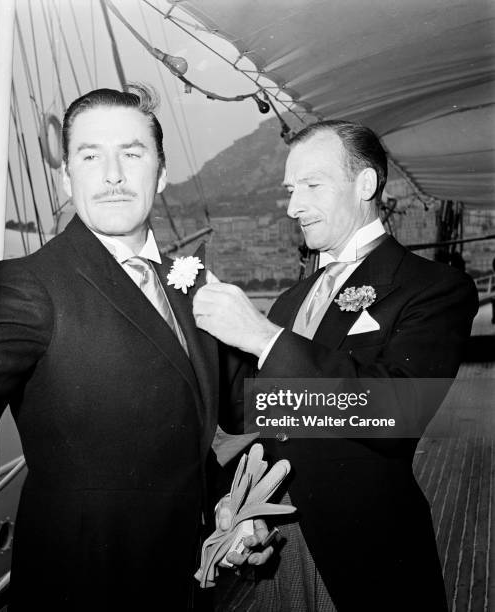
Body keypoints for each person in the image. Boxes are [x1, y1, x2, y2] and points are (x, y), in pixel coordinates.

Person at [0, 85, 270, 610]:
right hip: (84, 589)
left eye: (132, 153)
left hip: (186, 588)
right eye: (90, 155)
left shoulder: (190, 288)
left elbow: (249, 405)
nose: (113, 175)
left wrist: (393, 409)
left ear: (161, 172)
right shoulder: (29, 285)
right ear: (66, 177)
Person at [193, 120, 478, 611]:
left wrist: (263, 337)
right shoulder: (291, 300)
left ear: (365, 184)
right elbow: (255, 420)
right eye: (289, 189)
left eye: (311, 185)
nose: (292, 206)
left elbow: (397, 412)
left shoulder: (433, 288)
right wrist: (235, 505)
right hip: (278, 549)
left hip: (365, 553)